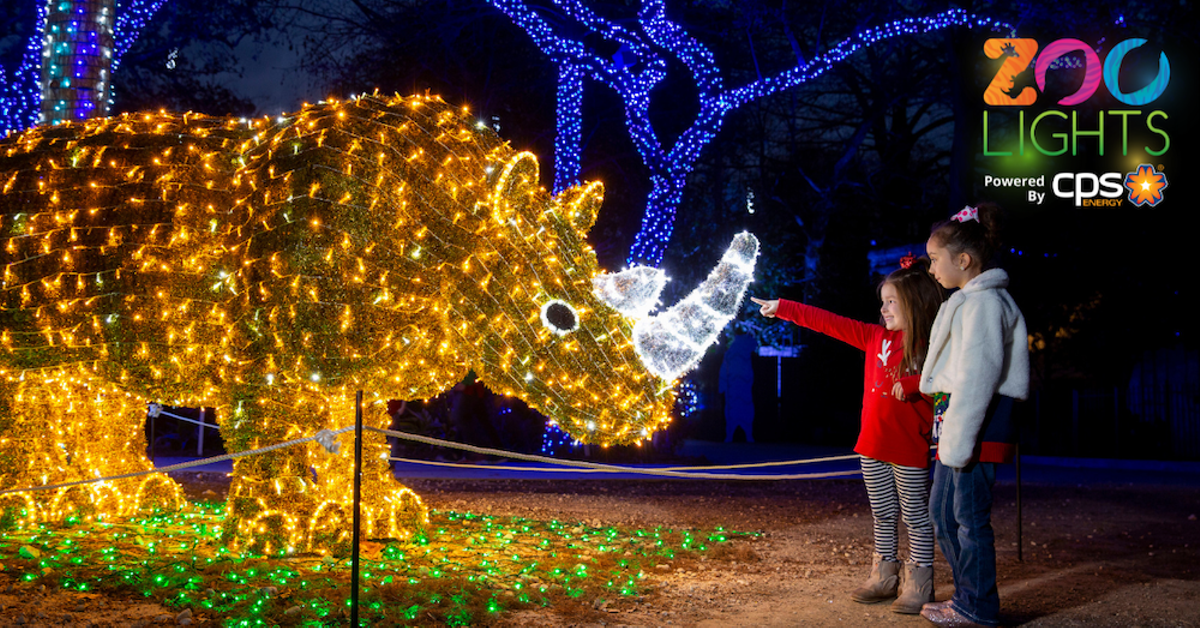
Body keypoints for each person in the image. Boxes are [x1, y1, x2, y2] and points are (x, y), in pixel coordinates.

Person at [751, 254, 944, 614]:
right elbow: (829, 323)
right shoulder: (873, 337)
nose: (884, 309)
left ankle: (920, 581)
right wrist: (784, 308)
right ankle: (884, 574)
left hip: (908, 446)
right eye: (882, 302)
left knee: (915, 514)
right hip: (871, 445)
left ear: (915, 304)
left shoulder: (930, 345)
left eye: (892, 302)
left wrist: (916, 382)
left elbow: (948, 376)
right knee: (883, 512)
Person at [918, 203, 1030, 628]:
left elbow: (978, 376)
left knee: (967, 518)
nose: (931, 269)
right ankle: (967, 597)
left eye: (934, 259)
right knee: (944, 514)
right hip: (960, 428)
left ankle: (977, 607)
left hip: (976, 428)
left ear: (963, 261)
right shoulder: (969, 301)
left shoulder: (984, 305)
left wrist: (958, 441)